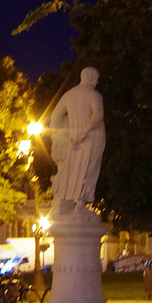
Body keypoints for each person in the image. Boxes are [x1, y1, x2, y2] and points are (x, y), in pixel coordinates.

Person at [46, 66, 106, 211]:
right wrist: (85, 131)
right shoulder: (94, 94)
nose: (97, 82)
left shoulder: (68, 95)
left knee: (74, 169)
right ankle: (80, 202)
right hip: (91, 137)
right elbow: (98, 115)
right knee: (89, 168)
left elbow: (55, 116)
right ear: (91, 78)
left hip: (73, 139)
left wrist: (57, 137)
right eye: (96, 79)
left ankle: (69, 201)